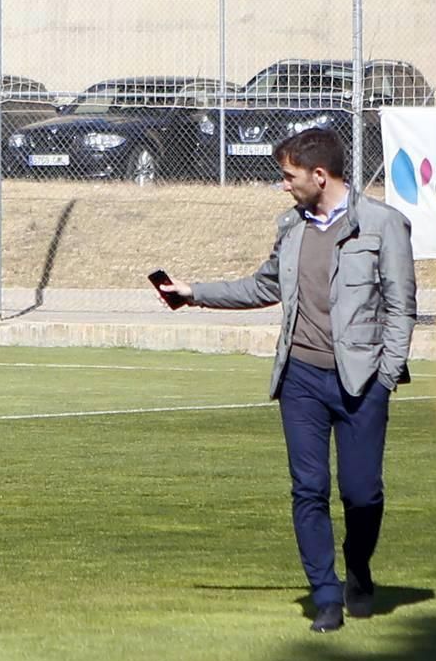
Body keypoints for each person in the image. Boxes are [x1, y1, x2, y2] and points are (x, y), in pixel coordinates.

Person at [160, 127, 416, 632]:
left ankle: (358, 569)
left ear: (319, 176)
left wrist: (385, 376)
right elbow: (262, 286)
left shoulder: (384, 225)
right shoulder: (291, 227)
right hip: (300, 379)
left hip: (362, 382)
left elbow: (402, 307)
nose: (284, 185)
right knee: (308, 488)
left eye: (289, 176)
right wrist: (193, 293)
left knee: (362, 493)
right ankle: (325, 594)